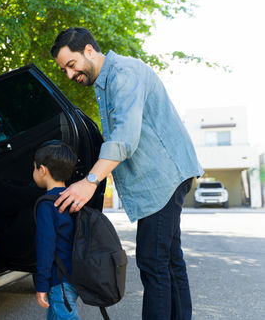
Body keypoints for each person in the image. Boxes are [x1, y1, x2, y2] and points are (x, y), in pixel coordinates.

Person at [50, 28, 203, 320]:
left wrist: (90, 181)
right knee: (170, 260)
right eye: (64, 70)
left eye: (71, 65)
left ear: (89, 51)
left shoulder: (123, 74)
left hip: (163, 176)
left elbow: (124, 139)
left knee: (153, 261)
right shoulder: (106, 82)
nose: (69, 74)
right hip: (165, 175)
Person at [33, 140, 80, 320]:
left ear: (42, 170)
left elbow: (46, 247)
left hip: (59, 280)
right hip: (74, 274)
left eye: (34, 168)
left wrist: (41, 285)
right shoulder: (74, 198)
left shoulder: (47, 205)